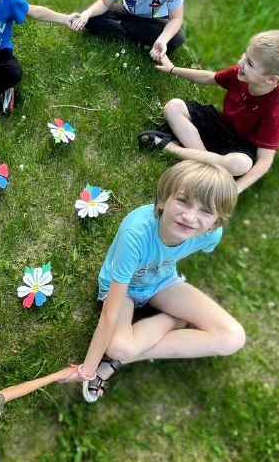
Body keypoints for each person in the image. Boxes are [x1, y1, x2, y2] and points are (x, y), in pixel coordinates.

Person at [65, 161, 244, 403]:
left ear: (216, 221)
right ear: (162, 200)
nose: (190, 217)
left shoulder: (210, 234)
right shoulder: (136, 235)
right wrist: (88, 369)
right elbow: (109, 314)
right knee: (120, 346)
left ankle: (118, 362)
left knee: (232, 337)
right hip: (124, 290)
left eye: (206, 211)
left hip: (163, 282)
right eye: (183, 201)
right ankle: (174, 319)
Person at [142, 30, 279, 193]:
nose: (241, 62)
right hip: (220, 124)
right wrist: (173, 69)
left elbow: (263, 163)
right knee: (173, 107)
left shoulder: (276, 111)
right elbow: (210, 78)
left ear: (271, 79)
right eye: (245, 55)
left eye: (250, 63)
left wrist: (235, 189)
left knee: (240, 165)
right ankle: (205, 165)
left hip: (241, 145)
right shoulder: (240, 73)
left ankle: (170, 148)